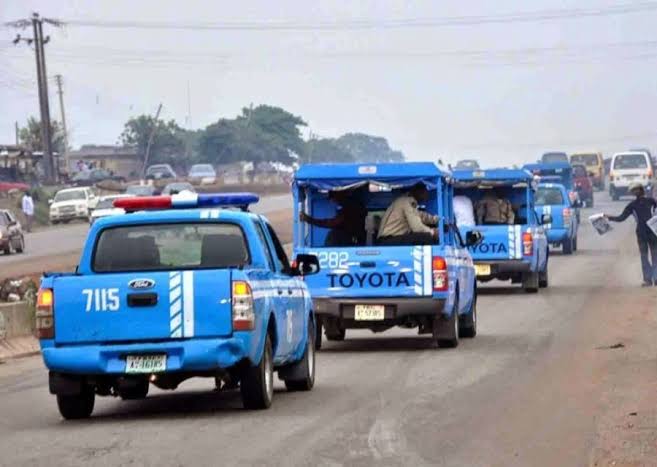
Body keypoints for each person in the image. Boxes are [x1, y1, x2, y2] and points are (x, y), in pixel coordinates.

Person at [605, 182, 657, 287]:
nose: (635, 192)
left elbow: (621, 218)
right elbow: (621, 218)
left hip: (643, 233)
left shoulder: (633, 205)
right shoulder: (651, 201)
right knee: (653, 256)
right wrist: (608, 217)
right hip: (651, 232)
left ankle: (648, 280)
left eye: (635, 190)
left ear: (635, 193)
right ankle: (654, 279)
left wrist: (608, 217)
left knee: (645, 256)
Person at [299, 189, 367, 246]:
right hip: (357, 239)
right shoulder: (355, 204)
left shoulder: (349, 207)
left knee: (333, 235)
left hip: (351, 240)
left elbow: (332, 223)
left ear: (338, 196)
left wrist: (309, 220)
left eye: (332, 198)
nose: (332, 201)